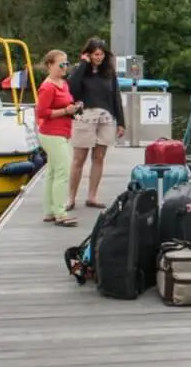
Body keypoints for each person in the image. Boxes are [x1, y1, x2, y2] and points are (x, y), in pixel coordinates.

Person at [66, 37, 126, 210]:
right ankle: (71, 197)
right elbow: (72, 89)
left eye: (101, 54)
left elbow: (116, 97)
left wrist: (121, 122)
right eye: (95, 54)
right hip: (85, 116)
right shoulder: (80, 70)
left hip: (105, 118)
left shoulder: (109, 72)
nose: (99, 57)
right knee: (79, 159)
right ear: (88, 54)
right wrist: (83, 65)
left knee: (99, 158)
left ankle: (92, 196)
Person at [35, 50, 79, 227]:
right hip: (51, 133)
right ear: (49, 66)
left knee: (53, 172)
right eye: (61, 64)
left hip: (62, 132)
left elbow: (66, 103)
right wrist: (65, 111)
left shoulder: (63, 83)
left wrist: (73, 108)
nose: (65, 67)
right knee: (63, 170)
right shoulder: (47, 87)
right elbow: (42, 112)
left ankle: (50, 211)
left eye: (66, 64)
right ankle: (60, 212)